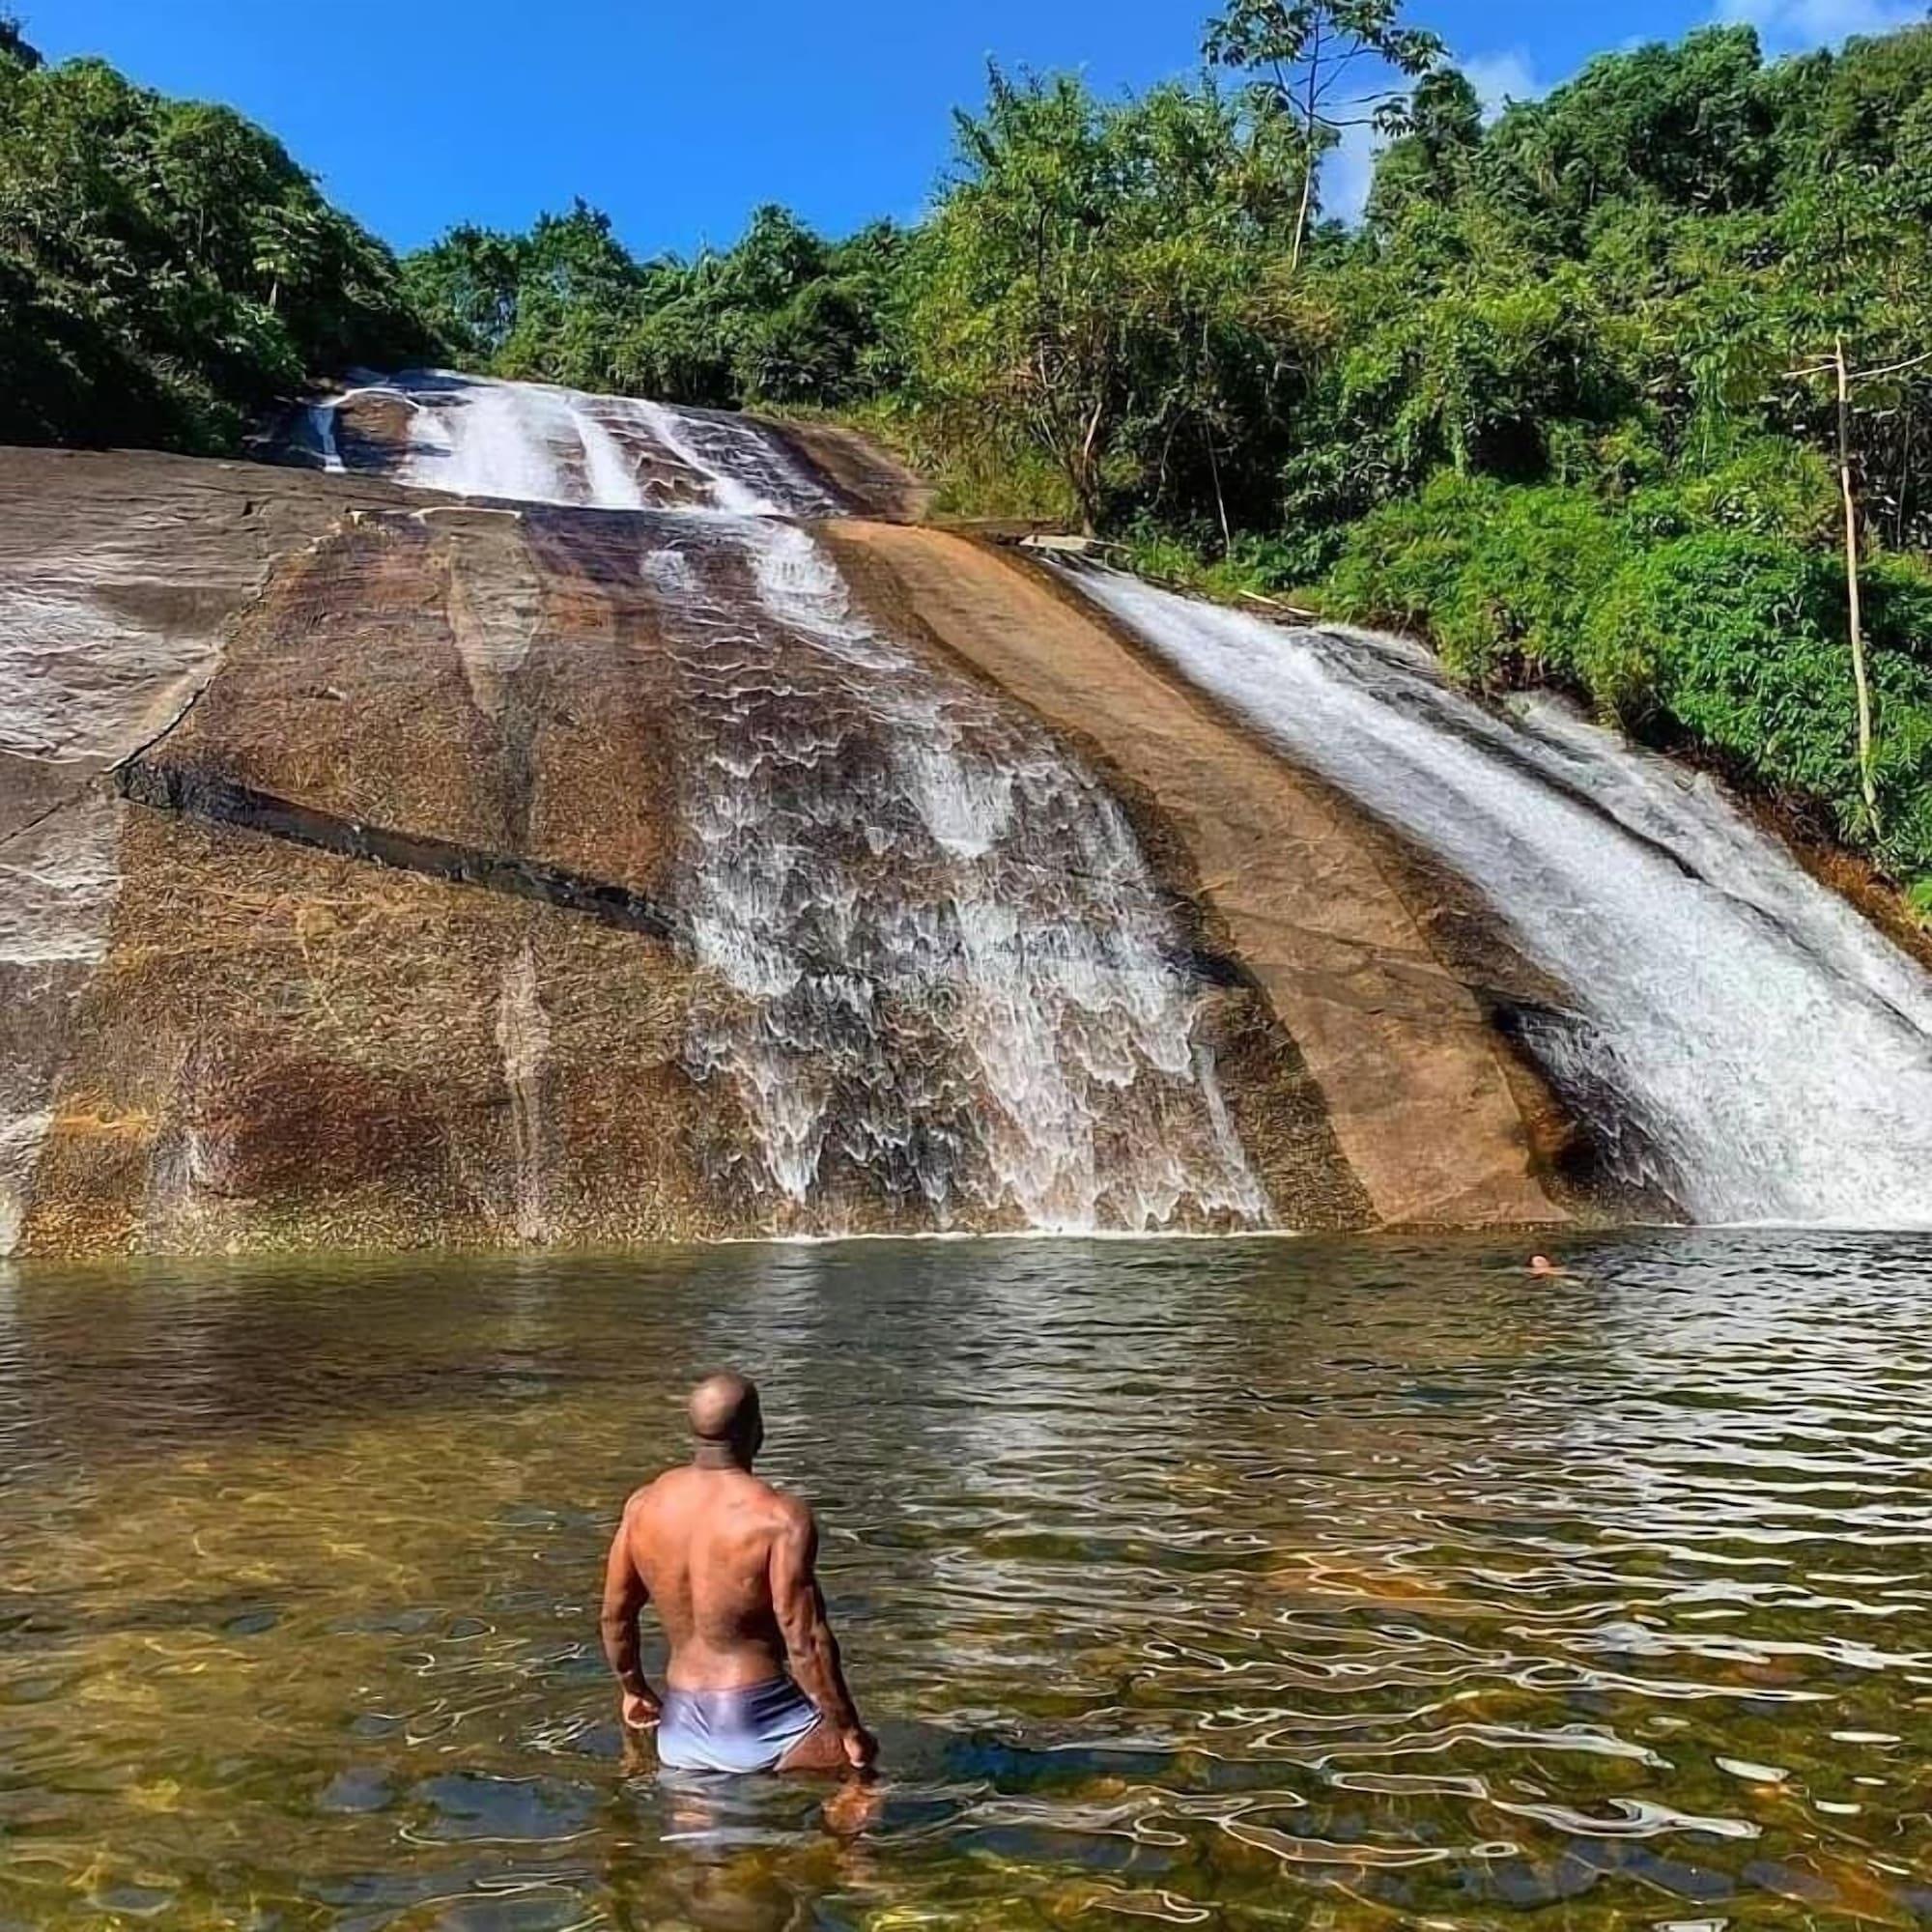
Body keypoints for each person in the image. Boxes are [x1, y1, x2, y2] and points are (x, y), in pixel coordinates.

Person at [600, 1371, 877, 1776]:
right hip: (761, 1716)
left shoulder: (644, 1506)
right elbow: (805, 1640)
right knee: (866, 1781)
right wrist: (850, 1731)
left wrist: (633, 1688)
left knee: (706, 1834)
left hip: (678, 1729)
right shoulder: (779, 1517)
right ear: (757, 1430)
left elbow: (615, 1613)